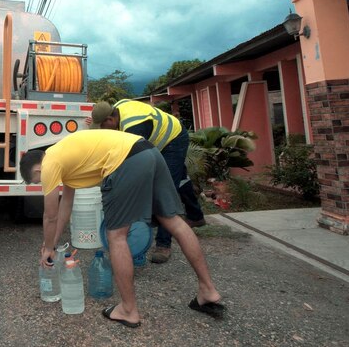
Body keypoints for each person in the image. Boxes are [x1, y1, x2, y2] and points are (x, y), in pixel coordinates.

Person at [20, 130, 224, 326]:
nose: (43, 183)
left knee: (116, 235)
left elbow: (50, 215)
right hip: (148, 151)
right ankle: (208, 291)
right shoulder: (64, 155)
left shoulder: (50, 164)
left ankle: (128, 310)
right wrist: (52, 244)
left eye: (39, 182)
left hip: (124, 160)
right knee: (174, 221)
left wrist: (47, 249)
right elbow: (66, 206)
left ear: (38, 170)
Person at [90, 99, 205, 264]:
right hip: (159, 141)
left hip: (173, 140)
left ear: (110, 120)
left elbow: (137, 166)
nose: (103, 131)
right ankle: (195, 215)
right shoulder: (118, 107)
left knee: (164, 191)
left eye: (102, 127)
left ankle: (163, 244)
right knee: (179, 178)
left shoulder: (134, 127)